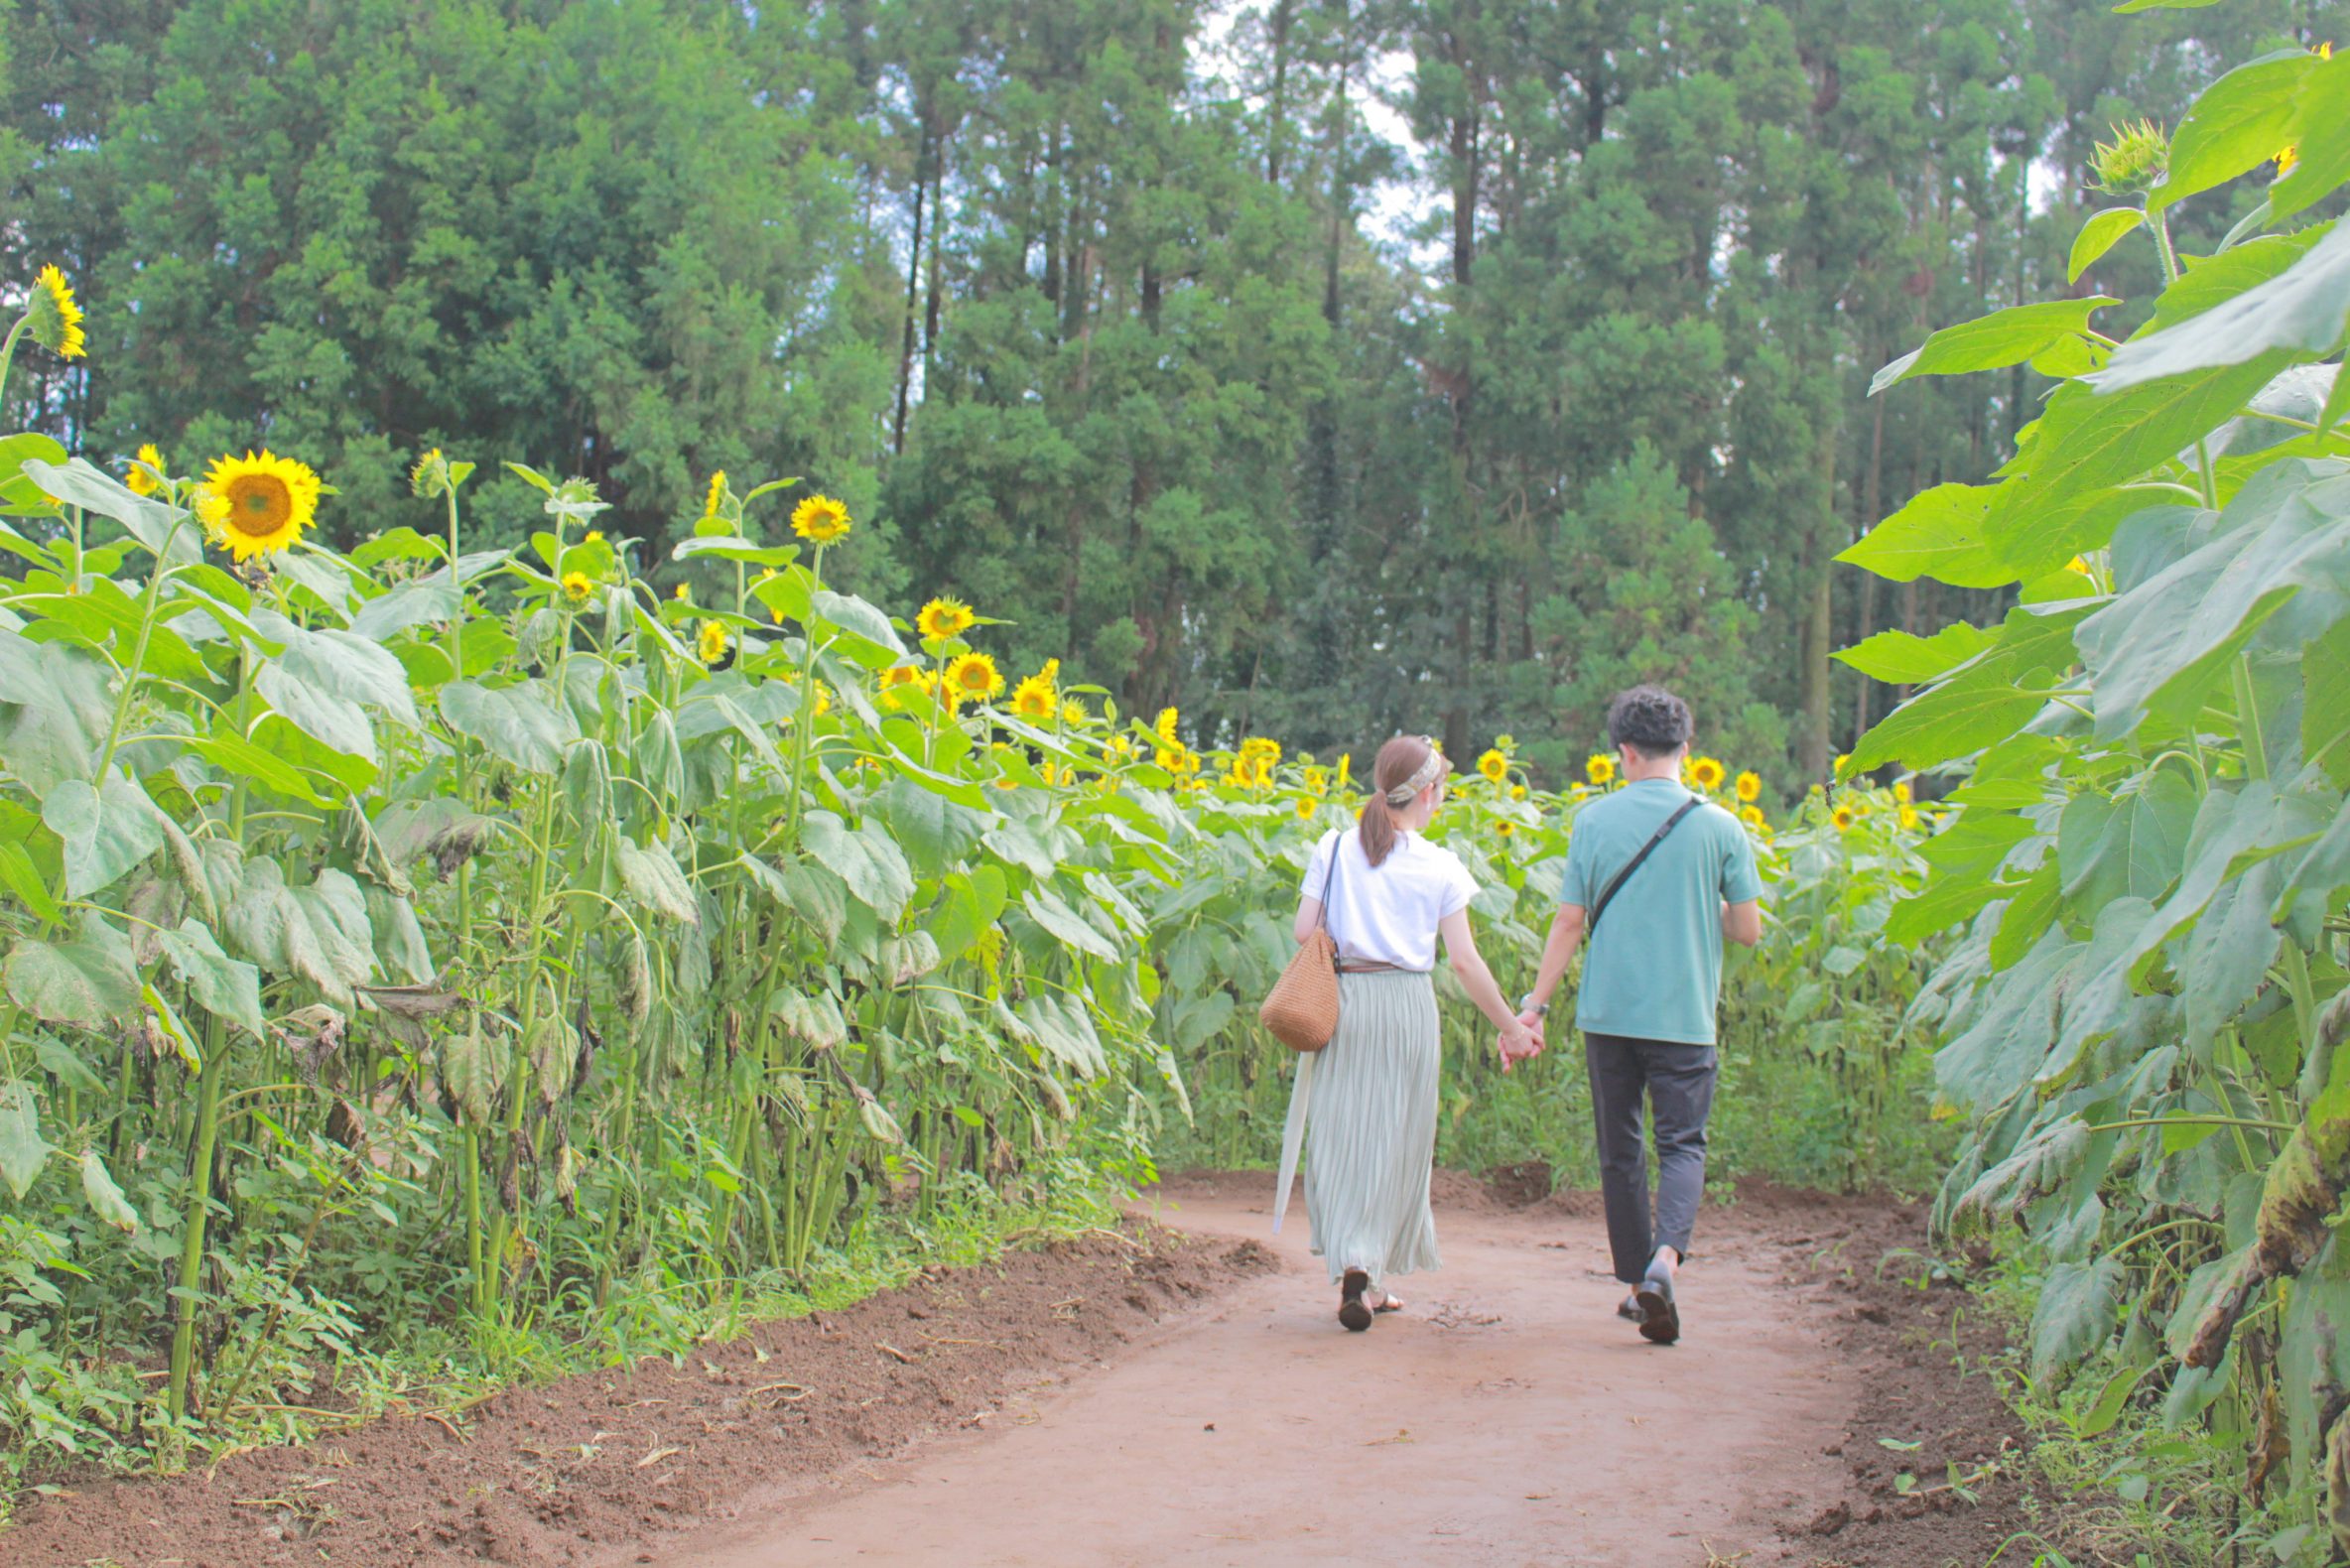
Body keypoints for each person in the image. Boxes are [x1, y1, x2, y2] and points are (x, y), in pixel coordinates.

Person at [1513, 686, 1762, 1345]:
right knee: (1683, 1143)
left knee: (1620, 1149)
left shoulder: (1594, 821)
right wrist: (1695, 908)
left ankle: (1635, 1286)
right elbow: (1747, 931)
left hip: (1609, 1015)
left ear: (1623, 752)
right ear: (1688, 749)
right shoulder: (1720, 825)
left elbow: (1570, 921)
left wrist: (1535, 1006)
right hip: (1683, 1016)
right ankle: (1664, 1263)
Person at [1275, 733, 1542, 1332]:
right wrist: (1512, 1029)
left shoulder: (1336, 847)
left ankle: (1354, 1266)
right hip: (1408, 1008)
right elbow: (1466, 964)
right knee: (1398, 1138)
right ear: (1426, 794)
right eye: (1441, 788)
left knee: (1343, 1133)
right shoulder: (1441, 865)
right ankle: (1371, 1275)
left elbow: (1302, 930)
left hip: (1344, 1002)